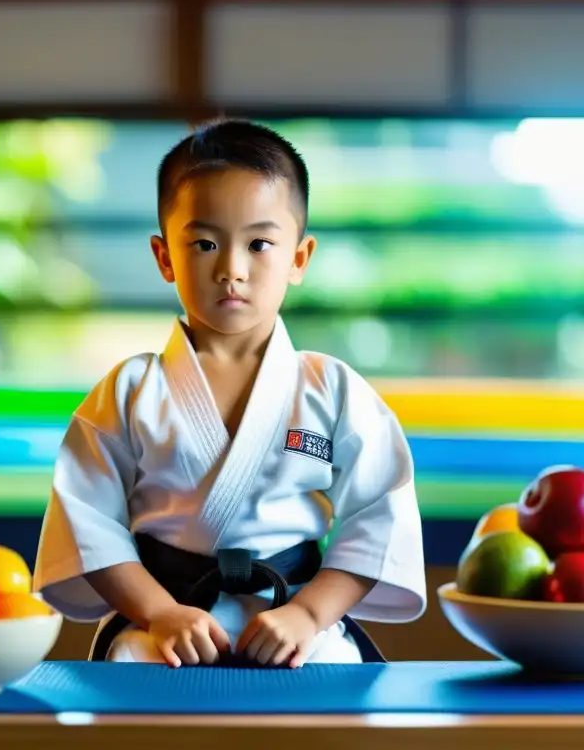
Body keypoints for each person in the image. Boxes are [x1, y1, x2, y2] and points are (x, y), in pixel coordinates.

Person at [33, 118, 426, 668]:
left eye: (260, 243)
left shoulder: (333, 390)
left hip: (292, 620)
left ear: (299, 258)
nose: (231, 270)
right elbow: (87, 524)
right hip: (165, 625)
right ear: (165, 256)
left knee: (335, 670)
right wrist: (157, 612)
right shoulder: (128, 391)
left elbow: (378, 516)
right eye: (204, 243)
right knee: (131, 662)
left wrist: (311, 615)